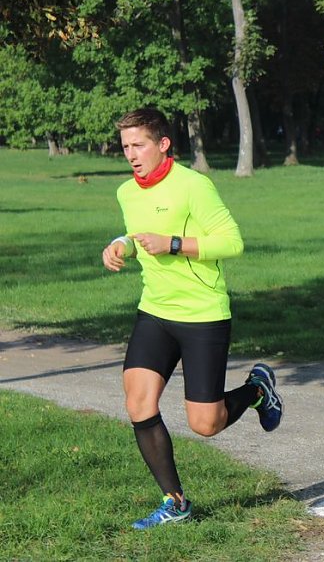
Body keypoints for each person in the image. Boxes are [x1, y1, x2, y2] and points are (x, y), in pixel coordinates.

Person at [101, 108, 283, 530]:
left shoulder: (193, 186)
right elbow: (138, 231)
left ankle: (257, 390)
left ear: (163, 144)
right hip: (155, 310)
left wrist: (175, 243)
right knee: (138, 402)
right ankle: (176, 502)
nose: (130, 153)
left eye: (138, 144)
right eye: (126, 146)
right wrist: (120, 244)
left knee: (206, 423)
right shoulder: (127, 191)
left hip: (202, 314)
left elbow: (232, 242)